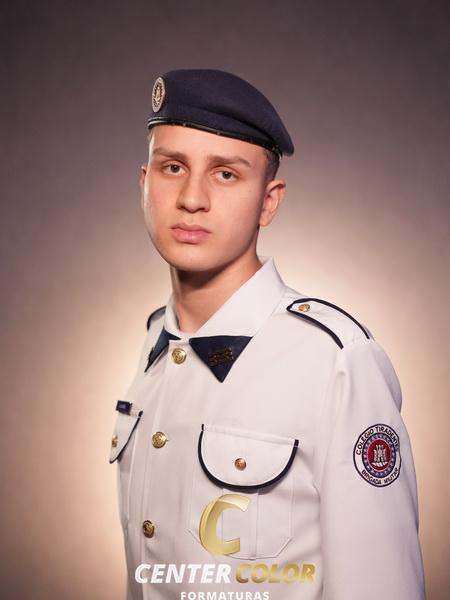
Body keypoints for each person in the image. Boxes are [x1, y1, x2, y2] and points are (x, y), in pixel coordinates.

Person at [109, 68, 426, 600]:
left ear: (269, 201)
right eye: (172, 167)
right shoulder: (156, 344)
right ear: (144, 183)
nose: (192, 198)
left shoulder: (335, 360)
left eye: (225, 173)